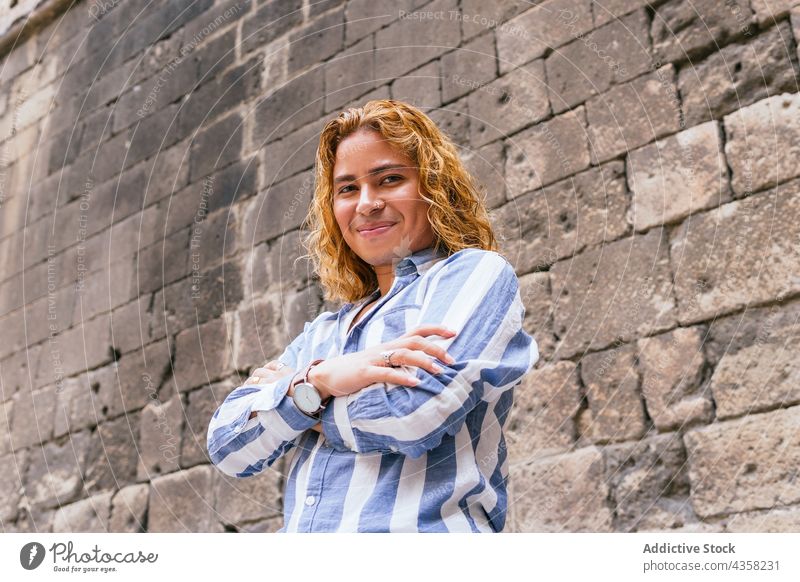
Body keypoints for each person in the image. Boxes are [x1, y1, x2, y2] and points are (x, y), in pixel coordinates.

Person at [207, 99, 539, 532]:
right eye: (347, 189)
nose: (367, 203)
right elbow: (228, 446)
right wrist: (324, 378)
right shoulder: (324, 334)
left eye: (389, 179)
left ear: (433, 187)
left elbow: (413, 412)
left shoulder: (474, 275)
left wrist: (296, 400)